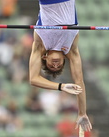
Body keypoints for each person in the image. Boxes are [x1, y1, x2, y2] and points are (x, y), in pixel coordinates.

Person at [29, 0, 92, 131]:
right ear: (64, 59)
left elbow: (33, 79)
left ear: (44, 57)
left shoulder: (40, 45)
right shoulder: (72, 50)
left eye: (52, 66)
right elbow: (79, 82)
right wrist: (82, 113)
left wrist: (61, 87)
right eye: (59, 66)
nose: (56, 65)